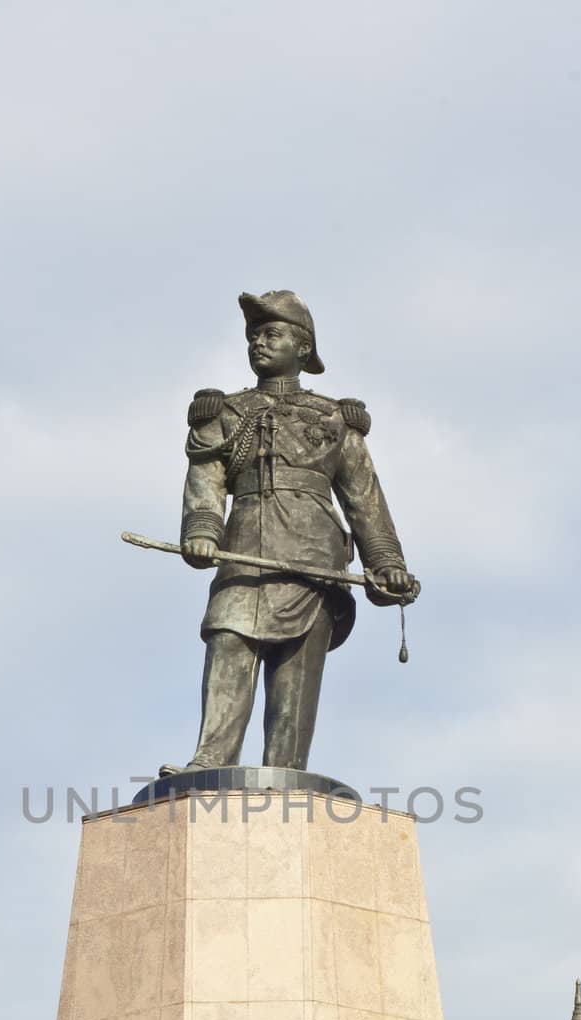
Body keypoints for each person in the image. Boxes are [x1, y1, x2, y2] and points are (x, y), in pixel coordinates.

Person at [161, 290, 416, 775]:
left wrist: (386, 564)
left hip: (314, 559)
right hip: (244, 552)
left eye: (271, 334)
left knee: (295, 677)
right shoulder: (227, 412)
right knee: (228, 639)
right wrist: (203, 528)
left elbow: (363, 497)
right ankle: (210, 760)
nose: (259, 343)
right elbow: (206, 477)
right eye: (254, 335)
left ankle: (286, 772)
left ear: (302, 348)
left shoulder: (335, 419)